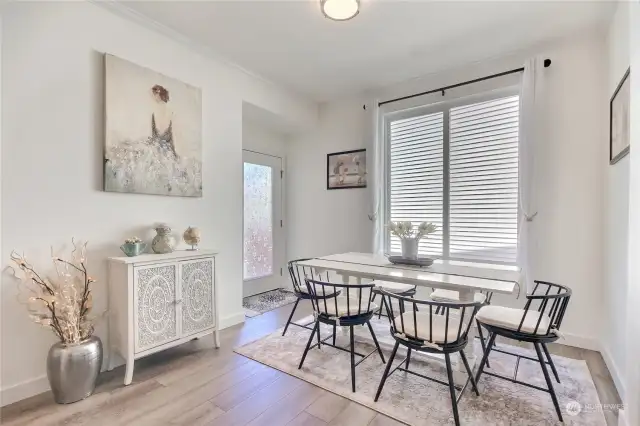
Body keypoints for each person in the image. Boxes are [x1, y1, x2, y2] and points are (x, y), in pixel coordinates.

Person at [150, 84, 178, 158]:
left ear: (158, 94)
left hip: (161, 151)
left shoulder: (157, 112)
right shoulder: (169, 111)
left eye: (153, 95)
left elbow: (157, 134)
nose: (152, 97)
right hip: (164, 150)